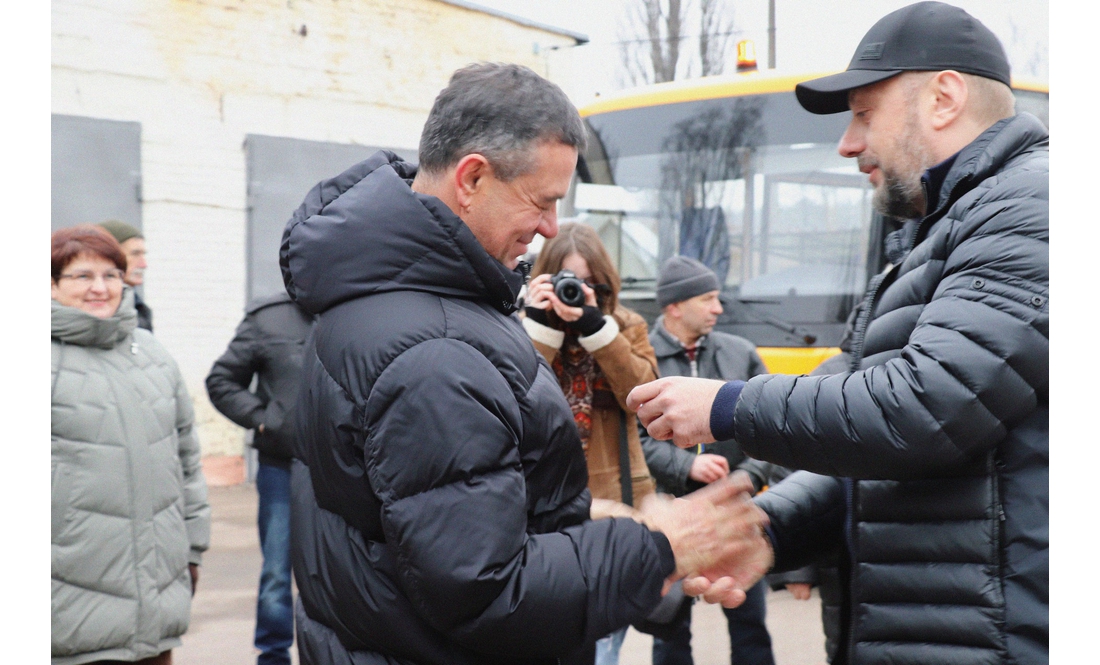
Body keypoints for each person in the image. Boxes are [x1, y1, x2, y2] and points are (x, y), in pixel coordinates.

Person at [279, 62, 772, 665]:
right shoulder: (433, 351)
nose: (549, 229)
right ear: (473, 177)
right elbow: (487, 593)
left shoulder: (404, 304)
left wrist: (592, 517)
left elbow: (443, 517)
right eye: (541, 202)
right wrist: (659, 546)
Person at [627, 3, 1048, 664]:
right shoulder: (936, 239)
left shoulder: (1032, 207)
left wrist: (726, 406)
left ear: (943, 98)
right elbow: (872, 455)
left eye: (862, 113)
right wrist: (766, 529)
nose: (848, 145)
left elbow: (923, 407)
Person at [52, 225, 211, 664]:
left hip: (155, 597)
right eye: (82, 276)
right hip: (66, 603)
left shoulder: (152, 353)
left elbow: (187, 459)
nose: (99, 288)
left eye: (111, 275)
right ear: (50, 284)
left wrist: (193, 548)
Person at [522, 221, 660, 664]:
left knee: (602, 641)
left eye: (586, 283)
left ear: (604, 282)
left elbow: (644, 398)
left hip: (613, 499)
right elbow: (512, 399)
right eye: (565, 281)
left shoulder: (627, 325)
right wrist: (540, 329)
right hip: (542, 503)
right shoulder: (518, 326)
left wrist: (598, 329)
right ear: (543, 278)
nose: (575, 292)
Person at [638, 255, 774, 665]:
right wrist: (686, 467)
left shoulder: (742, 353)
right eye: (709, 298)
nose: (719, 308)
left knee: (750, 624)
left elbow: (771, 429)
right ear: (674, 306)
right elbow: (632, 440)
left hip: (736, 511)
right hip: (671, 518)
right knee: (669, 633)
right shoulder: (640, 357)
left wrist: (746, 477)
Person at [205, 291, 314, 665]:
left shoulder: (359, 308)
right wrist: (264, 419)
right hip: (281, 466)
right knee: (277, 570)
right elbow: (222, 381)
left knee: (349, 567)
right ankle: (273, 653)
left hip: (347, 468)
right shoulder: (268, 318)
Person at [100, 220, 153, 331]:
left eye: (143, 255)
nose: (144, 265)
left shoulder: (139, 309)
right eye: (135, 254)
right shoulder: (95, 306)